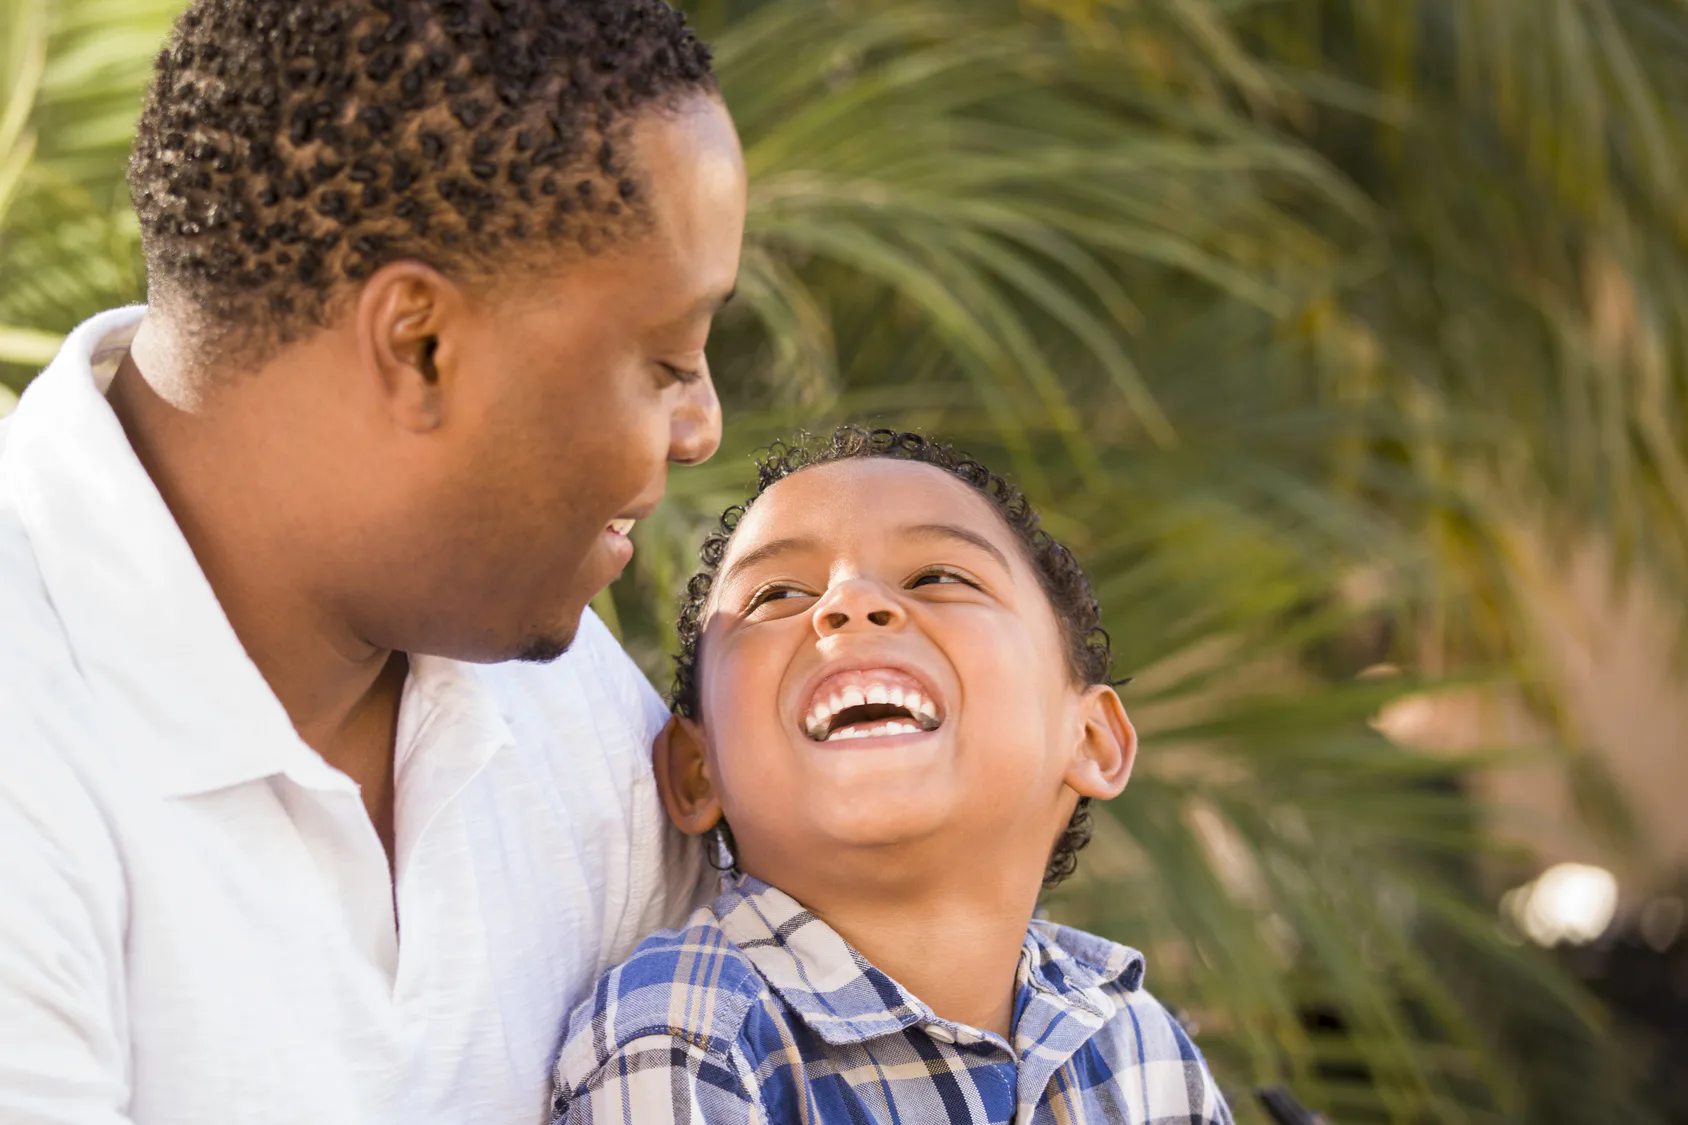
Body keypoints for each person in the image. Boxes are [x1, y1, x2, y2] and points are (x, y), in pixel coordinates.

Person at [0, 1, 746, 1122]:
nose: (702, 429)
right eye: (669, 360)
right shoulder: (27, 749)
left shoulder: (557, 699)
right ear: (419, 346)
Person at [551, 427, 1234, 1124]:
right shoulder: (686, 1037)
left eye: (937, 578)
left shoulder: (1142, 1046)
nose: (848, 602)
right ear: (697, 771)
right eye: (777, 594)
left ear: (1089, 739)